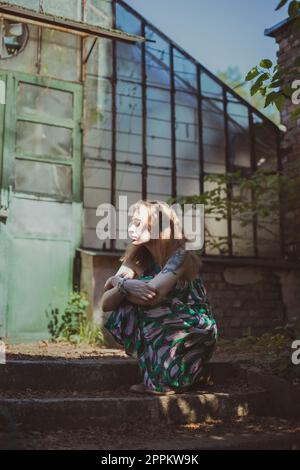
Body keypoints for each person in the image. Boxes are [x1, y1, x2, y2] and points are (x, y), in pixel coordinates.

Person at [101, 199, 218, 395]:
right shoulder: (138, 257)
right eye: (132, 222)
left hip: (194, 326)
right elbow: (106, 303)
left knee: (150, 307)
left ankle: (169, 379)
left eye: (137, 223)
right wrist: (121, 283)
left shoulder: (180, 255)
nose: (130, 228)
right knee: (127, 307)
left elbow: (152, 296)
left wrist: (119, 285)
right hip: (162, 322)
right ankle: (155, 377)